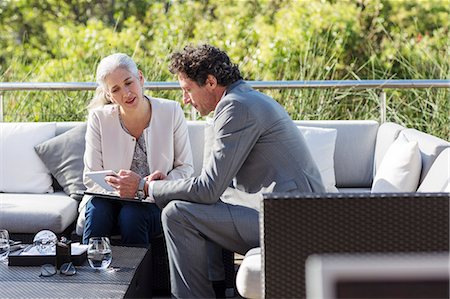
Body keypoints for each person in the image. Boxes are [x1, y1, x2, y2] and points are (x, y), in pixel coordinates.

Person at [112, 44, 326, 298]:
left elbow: (208, 189)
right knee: (187, 206)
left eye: (188, 90)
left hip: (291, 221)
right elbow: (214, 184)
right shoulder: (242, 99)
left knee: (177, 214)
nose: (185, 100)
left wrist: (144, 187)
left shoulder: (236, 107)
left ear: (211, 82)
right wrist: (169, 184)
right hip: (285, 213)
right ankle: (215, 288)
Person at [77, 53, 194, 246]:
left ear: (140, 77)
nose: (126, 93)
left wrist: (148, 188)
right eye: (115, 89)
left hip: (154, 200)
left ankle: (138, 277)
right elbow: (91, 176)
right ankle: (91, 274)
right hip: (109, 200)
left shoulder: (171, 111)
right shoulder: (98, 118)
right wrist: (124, 191)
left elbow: (185, 169)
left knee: (132, 215)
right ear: (109, 96)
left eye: (129, 82)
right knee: (98, 209)